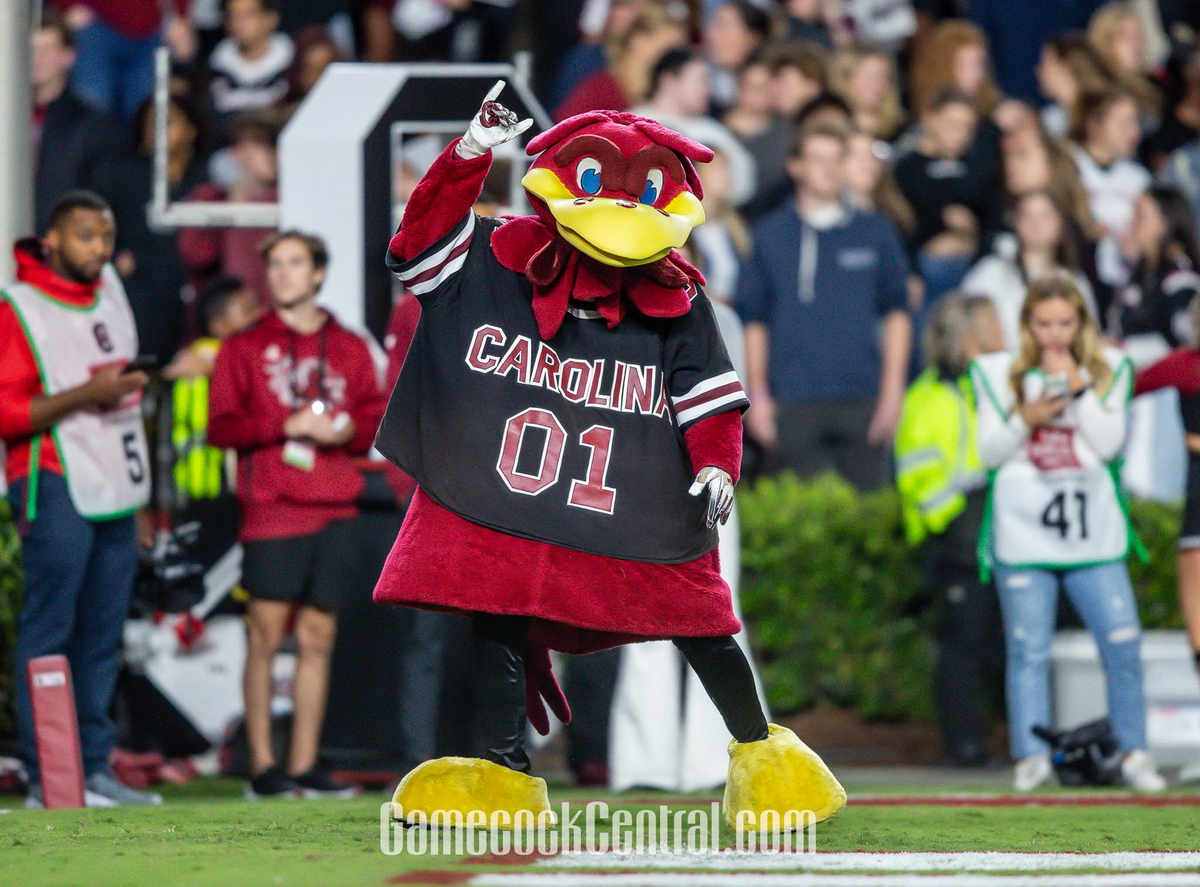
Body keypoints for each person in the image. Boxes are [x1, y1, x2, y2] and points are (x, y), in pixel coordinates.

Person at [373, 84, 845, 827]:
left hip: (622, 491)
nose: (621, 210)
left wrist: (718, 463)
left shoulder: (677, 297)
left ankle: (765, 756)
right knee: (496, 611)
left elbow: (710, 398)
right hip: (512, 495)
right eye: (598, 184)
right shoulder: (499, 255)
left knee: (700, 618)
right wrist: (468, 154)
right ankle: (504, 775)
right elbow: (417, 248)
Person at [970, 270, 1165, 792]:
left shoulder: (1111, 368)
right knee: (1028, 650)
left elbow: (1107, 445)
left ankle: (1134, 752)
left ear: (1080, 322)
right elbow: (988, 451)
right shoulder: (995, 372)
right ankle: (1031, 758)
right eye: (1043, 323)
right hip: (1025, 536)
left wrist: (1078, 390)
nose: (1054, 334)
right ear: (1027, 323)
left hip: (1093, 537)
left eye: (1064, 322)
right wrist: (1025, 417)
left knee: (1122, 647)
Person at [208, 231, 386, 799]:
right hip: (271, 506)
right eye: (275, 264)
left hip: (335, 502)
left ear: (318, 274)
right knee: (263, 637)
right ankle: (263, 767)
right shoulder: (242, 346)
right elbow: (221, 428)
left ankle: (305, 763)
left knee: (317, 637)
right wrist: (283, 427)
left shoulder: (352, 346)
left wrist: (346, 430)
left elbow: (375, 416)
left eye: (294, 263)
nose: (282, 274)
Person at [0, 191, 161, 808]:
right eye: (87, 236)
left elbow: (122, 408)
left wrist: (140, 493)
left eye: (107, 236)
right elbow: (9, 412)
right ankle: (50, 777)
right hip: (52, 476)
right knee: (50, 629)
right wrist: (85, 394)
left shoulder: (112, 293)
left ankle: (94, 768)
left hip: (115, 482)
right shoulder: (21, 305)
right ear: (53, 239)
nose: (101, 248)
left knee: (101, 634)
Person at [737, 124, 911, 489]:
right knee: (796, 523)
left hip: (863, 395)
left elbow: (897, 313)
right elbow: (754, 320)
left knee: (869, 526)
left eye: (837, 159)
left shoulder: (876, 231)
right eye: (818, 159)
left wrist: (893, 391)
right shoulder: (769, 235)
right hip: (790, 398)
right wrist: (759, 394)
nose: (829, 169)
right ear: (795, 166)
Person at [896, 293, 1006, 767]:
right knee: (964, 648)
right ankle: (964, 746)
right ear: (971, 336)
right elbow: (921, 474)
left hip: (993, 531)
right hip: (957, 539)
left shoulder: (989, 385)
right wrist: (955, 518)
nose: (1003, 330)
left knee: (1000, 647)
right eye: (993, 322)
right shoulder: (931, 394)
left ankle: (1014, 744)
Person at [963, 190, 1099, 350]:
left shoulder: (1075, 280)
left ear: (1061, 224)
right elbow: (963, 329)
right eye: (1027, 215)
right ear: (1015, 222)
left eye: (1045, 215)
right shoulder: (989, 272)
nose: (1035, 223)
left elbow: (1090, 337)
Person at [31, 12, 120, 235]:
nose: (36, 58)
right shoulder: (8, 118)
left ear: (68, 56)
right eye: (30, 49)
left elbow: (101, 194)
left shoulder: (91, 123)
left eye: (46, 50)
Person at [178, 112, 280, 306]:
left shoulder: (290, 199)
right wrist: (229, 209)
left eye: (276, 145)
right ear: (237, 152)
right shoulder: (209, 197)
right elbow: (196, 256)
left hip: (275, 317)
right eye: (264, 145)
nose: (274, 154)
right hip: (226, 318)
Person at [1108, 186, 1200, 366]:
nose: (1131, 222)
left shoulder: (1181, 280)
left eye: (1140, 215)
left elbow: (1184, 345)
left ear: (1165, 223)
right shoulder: (1140, 273)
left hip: (1165, 388)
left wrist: (1123, 349)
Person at [1071, 86, 1151, 289]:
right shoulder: (1068, 166)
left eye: (1136, 122)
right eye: (1124, 123)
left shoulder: (1139, 178)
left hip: (1126, 284)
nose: (1135, 133)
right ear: (1094, 126)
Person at [208, 0, 294, 130]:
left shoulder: (295, 62)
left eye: (247, 15)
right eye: (231, 15)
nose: (237, 23)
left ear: (271, 18)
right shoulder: (213, 67)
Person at [828, 42, 904, 142]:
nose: (877, 84)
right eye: (868, 76)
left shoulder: (901, 133)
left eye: (884, 77)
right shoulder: (827, 127)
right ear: (845, 78)